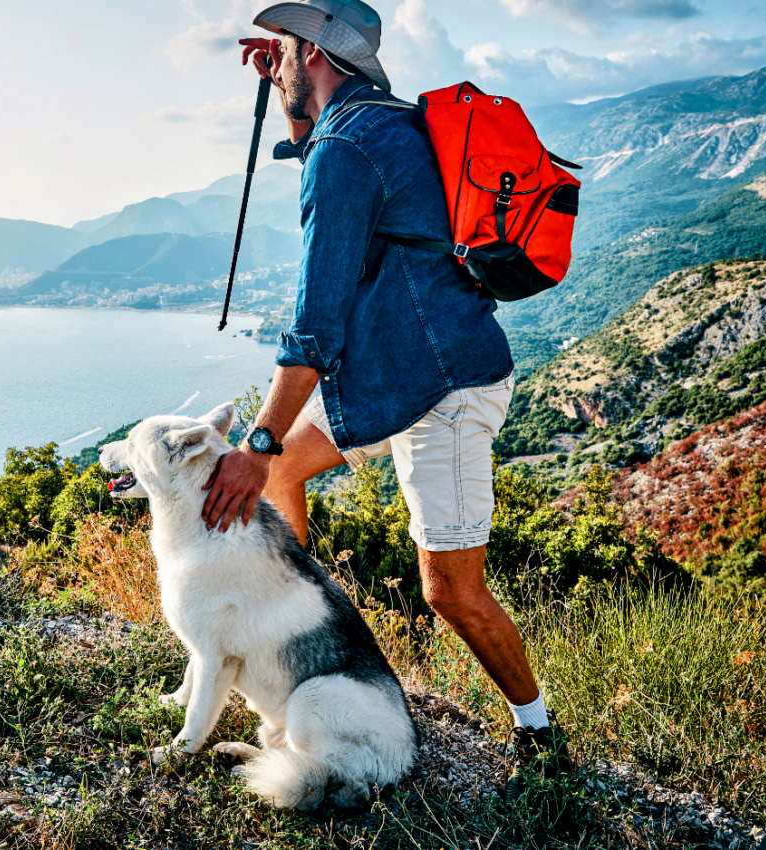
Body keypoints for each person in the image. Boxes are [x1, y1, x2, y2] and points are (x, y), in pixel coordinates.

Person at [199, 0, 570, 780]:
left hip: (444, 384)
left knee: (451, 592)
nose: (277, 58)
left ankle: (541, 737)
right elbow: (347, 195)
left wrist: (258, 444)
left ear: (317, 55)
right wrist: (293, 115)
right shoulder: (385, 123)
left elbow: (316, 320)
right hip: (389, 373)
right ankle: (302, 646)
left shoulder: (349, 149)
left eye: (285, 47)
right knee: (292, 479)